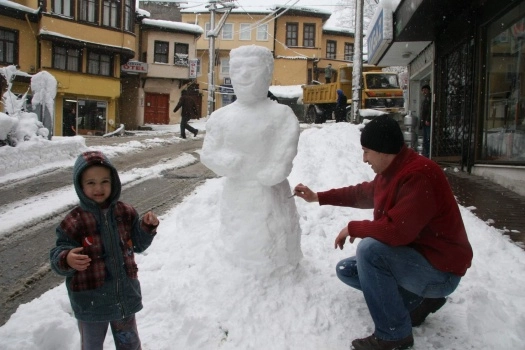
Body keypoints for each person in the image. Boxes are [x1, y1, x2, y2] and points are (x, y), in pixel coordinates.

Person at [293, 115, 473, 350]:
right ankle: (420, 301)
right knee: (349, 270)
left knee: (370, 252)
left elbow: (397, 232)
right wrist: (318, 197)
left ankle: (394, 335)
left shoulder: (419, 175)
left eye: (367, 151)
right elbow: (361, 194)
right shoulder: (394, 171)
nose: (364, 158)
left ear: (384, 151)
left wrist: (353, 227)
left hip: (441, 270)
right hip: (420, 259)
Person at [201, 45, 302, 272]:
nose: (244, 74)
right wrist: (223, 160)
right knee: (239, 241)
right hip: (237, 195)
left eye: (252, 67)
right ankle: (240, 268)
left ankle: (279, 268)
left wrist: (276, 169)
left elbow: (285, 150)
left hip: (269, 194)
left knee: (273, 239)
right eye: (237, 68)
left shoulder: (281, 115)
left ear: (267, 72)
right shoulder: (221, 117)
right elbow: (208, 152)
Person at [50, 150, 159, 349]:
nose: (98, 188)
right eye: (91, 182)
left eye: (104, 181)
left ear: (114, 182)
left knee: (130, 343)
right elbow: (57, 256)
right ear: (80, 186)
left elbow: (138, 244)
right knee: (91, 345)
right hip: (91, 302)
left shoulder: (125, 212)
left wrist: (146, 227)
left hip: (123, 298)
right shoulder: (74, 221)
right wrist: (67, 259)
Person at [420, 84, 432, 157]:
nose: (424, 91)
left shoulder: (429, 98)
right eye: (423, 90)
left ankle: (427, 153)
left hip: (427, 121)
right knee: (425, 138)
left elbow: (429, 110)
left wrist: (428, 119)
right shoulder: (425, 99)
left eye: (425, 90)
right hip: (424, 121)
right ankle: (426, 153)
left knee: (427, 138)